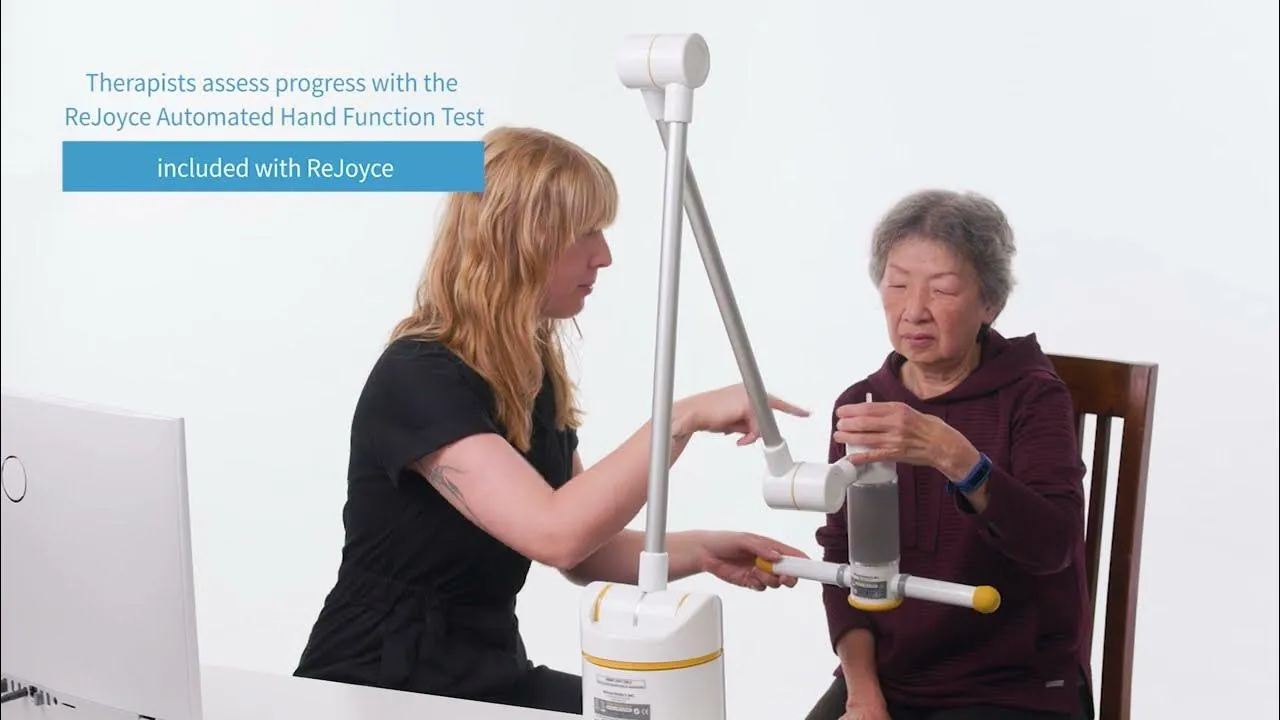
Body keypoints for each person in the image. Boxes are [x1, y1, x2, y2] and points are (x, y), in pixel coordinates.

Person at [293, 126, 809, 714]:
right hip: (381, 684)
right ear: (519, 238)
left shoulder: (527, 375)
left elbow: (586, 550)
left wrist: (704, 551)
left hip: (487, 671)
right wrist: (679, 419)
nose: (604, 256)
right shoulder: (417, 376)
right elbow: (556, 534)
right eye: (585, 232)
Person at [804, 190, 1096, 720]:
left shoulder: (1033, 396)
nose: (914, 310)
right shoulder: (863, 404)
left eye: (942, 289)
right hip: (890, 679)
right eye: (897, 285)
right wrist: (863, 694)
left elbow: (1053, 546)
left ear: (990, 304)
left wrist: (956, 457)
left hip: (1013, 687)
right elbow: (841, 561)